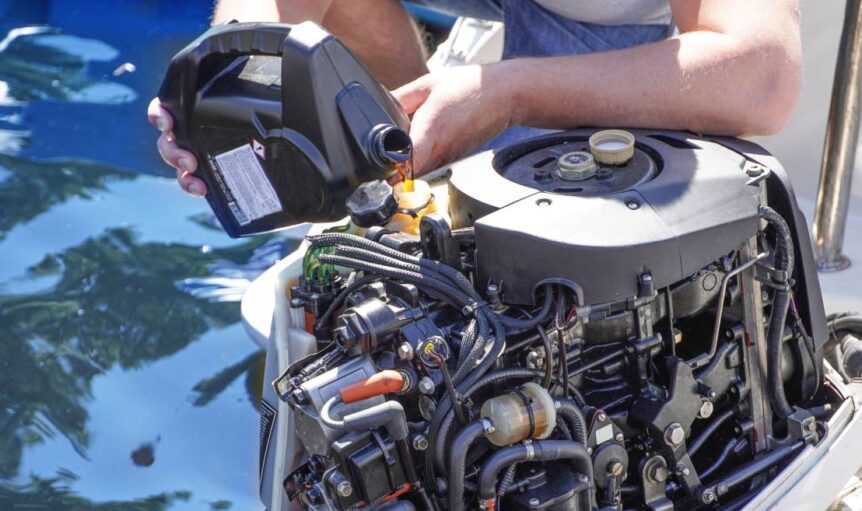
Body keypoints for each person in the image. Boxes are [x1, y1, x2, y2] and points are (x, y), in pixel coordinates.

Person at [148, 0, 801, 197]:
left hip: (602, 23)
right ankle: (401, 170)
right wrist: (226, 72)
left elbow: (763, 76)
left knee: (532, 246)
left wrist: (512, 93)